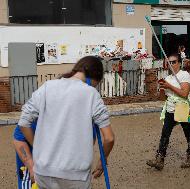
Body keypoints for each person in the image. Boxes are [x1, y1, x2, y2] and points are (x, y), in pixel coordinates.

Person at [18, 56, 115, 189]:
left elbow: (23, 122)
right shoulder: (91, 94)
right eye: (96, 84)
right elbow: (109, 138)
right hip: (76, 175)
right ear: (94, 77)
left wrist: (38, 147)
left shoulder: (47, 87)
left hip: (44, 171)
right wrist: (101, 161)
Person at [13, 121, 99, 189]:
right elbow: (19, 137)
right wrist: (31, 167)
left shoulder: (84, 114)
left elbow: (89, 142)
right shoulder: (40, 110)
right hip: (31, 163)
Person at [146, 53, 190, 170]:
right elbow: (162, 98)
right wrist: (163, 88)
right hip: (170, 109)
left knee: (188, 133)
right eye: (169, 62)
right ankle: (160, 159)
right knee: (165, 134)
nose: (171, 64)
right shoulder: (168, 78)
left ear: (179, 63)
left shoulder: (184, 75)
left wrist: (169, 86)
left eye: (173, 62)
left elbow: (184, 94)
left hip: (182, 108)